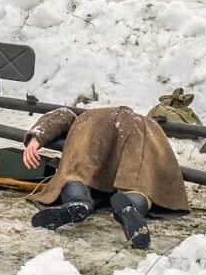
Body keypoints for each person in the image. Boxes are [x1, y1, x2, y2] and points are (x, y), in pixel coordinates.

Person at [19, 106, 190, 249]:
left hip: (94, 123)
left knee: (76, 175)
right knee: (140, 183)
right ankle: (131, 207)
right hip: (140, 129)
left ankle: (77, 201)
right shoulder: (148, 124)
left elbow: (61, 114)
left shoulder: (85, 115)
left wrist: (36, 139)